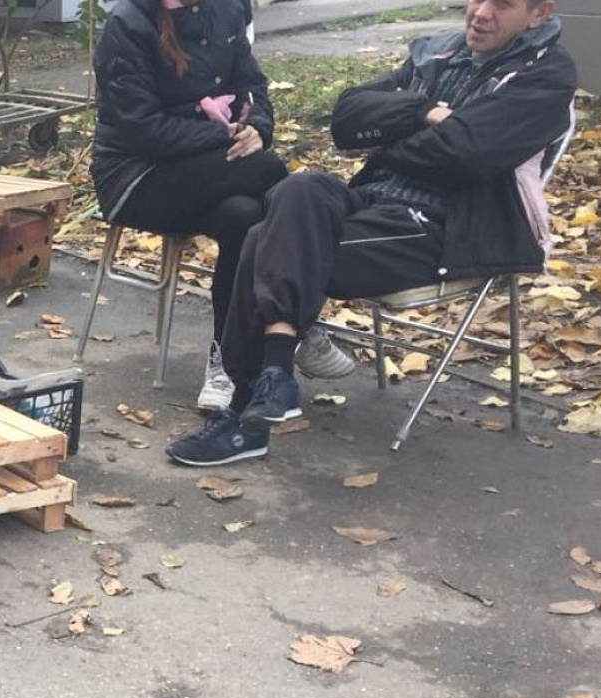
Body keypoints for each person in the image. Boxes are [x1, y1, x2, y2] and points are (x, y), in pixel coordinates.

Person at [166, 0, 577, 466]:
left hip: (446, 227)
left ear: (539, 14)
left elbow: (467, 153)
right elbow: (347, 118)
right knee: (300, 188)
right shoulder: (439, 54)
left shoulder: (546, 76)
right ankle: (274, 382)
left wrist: (391, 139)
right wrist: (423, 112)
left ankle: (248, 410)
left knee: (264, 241)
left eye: (501, 5)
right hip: (374, 202)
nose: (480, 13)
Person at [91, 0, 355, 413]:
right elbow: (141, 130)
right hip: (137, 175)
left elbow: (254, 86)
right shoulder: (129, 22)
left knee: (244, 216)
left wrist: (258, 128)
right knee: (269, 173)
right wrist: (228, 137)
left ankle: (229, 366)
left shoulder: (228, 9)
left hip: (216, 172)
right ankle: (297, 323)